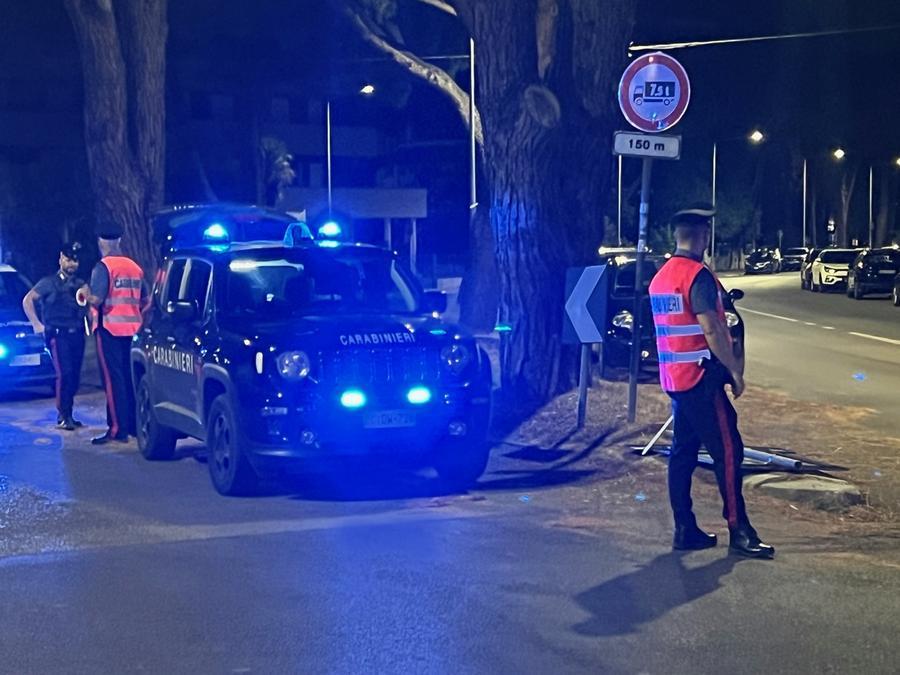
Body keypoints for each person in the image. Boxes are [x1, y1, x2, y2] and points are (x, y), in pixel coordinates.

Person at [648, 204, 774, 559]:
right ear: (702, 235)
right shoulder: (696, 275)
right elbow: (713, 328)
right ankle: (740, 530)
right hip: (702, 379)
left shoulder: (661, 277)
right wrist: (734, 369)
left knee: (682, 454)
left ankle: (684, 528)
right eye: (706, 232)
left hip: (675, 380)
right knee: (729, 452)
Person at [87, 224, 148, 445]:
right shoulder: (134, 267)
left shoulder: (103, 267)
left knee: (113, 381)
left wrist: (85, 293)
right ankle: (133, 426)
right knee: (130, 378)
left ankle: (117, 429)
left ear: (101, 242)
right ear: (120, 241)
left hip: (109, 330)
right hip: (133, 331)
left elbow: (96, 299)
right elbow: (146, 300)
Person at [22, 242, 90, 430]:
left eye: (75, 260)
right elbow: (28, 300)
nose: (72, 264)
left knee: (75, 376)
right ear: (60, 259)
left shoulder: (80, 284)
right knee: (65, 374)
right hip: (58, 335)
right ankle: (63, 415)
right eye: (68, 259)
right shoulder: (48, 282)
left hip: (76, 334)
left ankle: (69, 414)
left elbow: (88, 305)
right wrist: (37, 324)